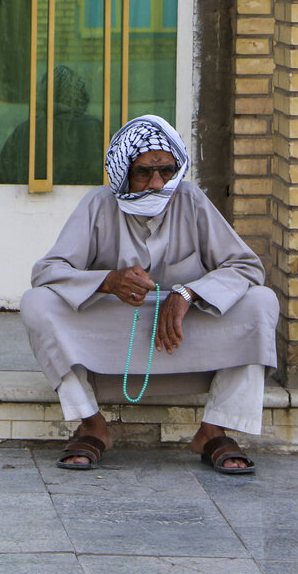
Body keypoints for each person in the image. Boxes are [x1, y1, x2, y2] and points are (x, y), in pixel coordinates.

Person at [20, 114, 278, 474]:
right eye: (144, 172)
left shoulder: (191, 200)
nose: (157, 183)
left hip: (183, 334)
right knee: (37, 303)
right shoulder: (98, 204)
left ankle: (214, 430)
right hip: (116, 335)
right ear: (124, 171)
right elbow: (46, 272)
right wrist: (108, 281)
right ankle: (92, 425)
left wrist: (189, 293)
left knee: (261, 301)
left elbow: (247, 267)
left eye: (167, 171)